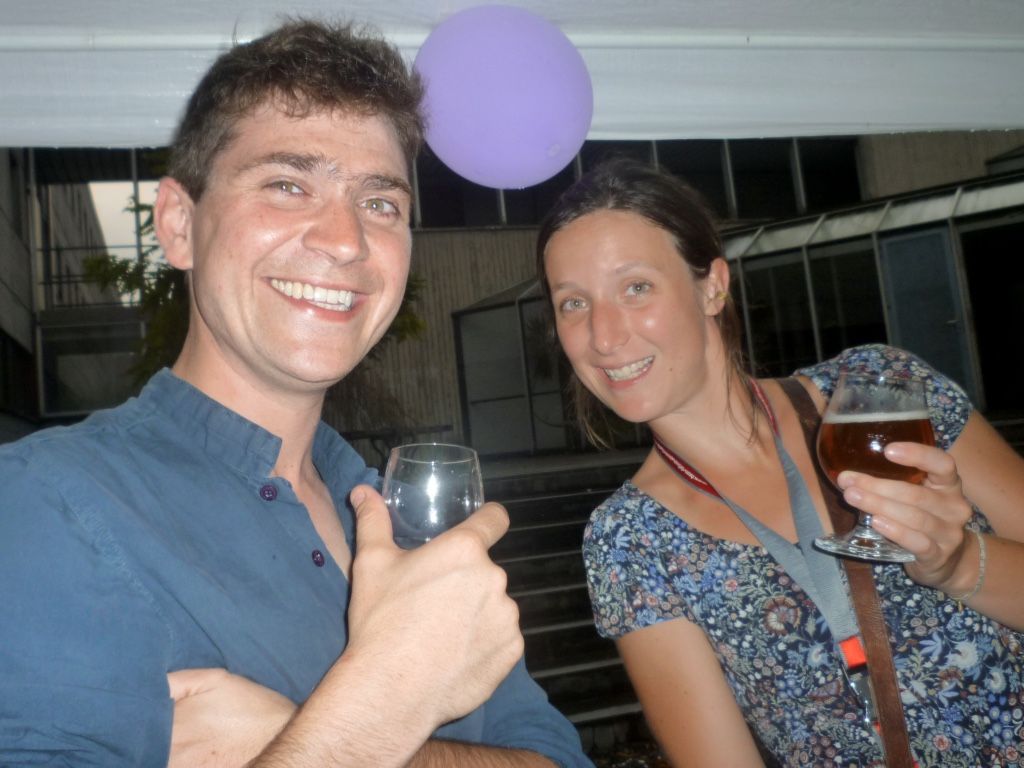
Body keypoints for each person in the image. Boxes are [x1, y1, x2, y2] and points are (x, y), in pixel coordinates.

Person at [0, 19, 591, 768]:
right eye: (287, 185)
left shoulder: (396, 511)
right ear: (178, 225)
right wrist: (381, 706)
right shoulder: (42, 506)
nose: (345, 239)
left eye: (381, 204)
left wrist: (308, 735)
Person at [535, 157, 1024, 767]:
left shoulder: (877, 392)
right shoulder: (631, 541)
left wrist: (959, 563)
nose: (604, 336)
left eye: (636, 287)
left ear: (712, 286)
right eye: (573, 303)